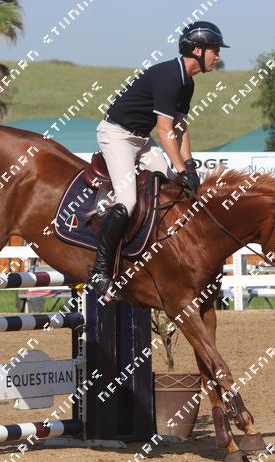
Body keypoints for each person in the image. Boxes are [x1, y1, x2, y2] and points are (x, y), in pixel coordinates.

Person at [88, 21, 229, 298]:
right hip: (116, 135)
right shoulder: (170, 76)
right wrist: (181, 168)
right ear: (197, 50)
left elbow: (180, 127)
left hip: (140, 140)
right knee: (128, 202)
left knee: (170, 187)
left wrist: (189, 165)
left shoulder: (187, 82)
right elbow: (164, 131)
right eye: (215, 50)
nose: (218, 56)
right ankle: (100, 270)